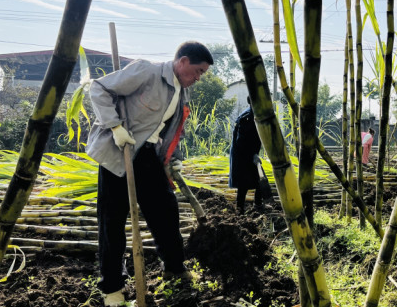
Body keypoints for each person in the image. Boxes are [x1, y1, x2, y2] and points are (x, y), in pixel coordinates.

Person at [85, 41, 213, 306]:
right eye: (198, 71)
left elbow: (172, 132)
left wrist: (173, 160)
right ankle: (112, 290)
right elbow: (98, 88)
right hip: (118, 153)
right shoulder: (147, 72)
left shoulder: (181, 93)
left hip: (148, 157)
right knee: (112, 222)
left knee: (166, 212)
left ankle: (175, 269)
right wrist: (115, 127)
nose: (199, 78)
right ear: (184, 61)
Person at [229, 97, 271, 214]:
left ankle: (258, 204)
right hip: (242, 156)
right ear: (250, 101)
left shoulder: (256, 115)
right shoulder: (246, 118)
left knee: (259, 179)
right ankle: (240, 209)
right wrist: (253, 155)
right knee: (244, 183)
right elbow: (241, 142)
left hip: (250, 154)